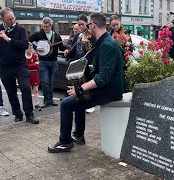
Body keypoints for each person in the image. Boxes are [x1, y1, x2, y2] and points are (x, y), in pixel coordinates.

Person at [48, 12, 124, 153]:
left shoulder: (107, 44)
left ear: (93, 25)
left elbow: (103, 77)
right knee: (74, 101)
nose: (87, 28)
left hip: (109, 91)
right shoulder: (102, 41)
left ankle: (65, 142)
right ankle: (78, 136)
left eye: (88, 25)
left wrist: (81, 89)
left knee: (65, 104)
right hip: (106, 87)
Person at [0, 8, 39, 124]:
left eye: (13, 17)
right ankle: (18, 115)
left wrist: (8, 39)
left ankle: (29, 114)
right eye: (9, 19)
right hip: (5, 66)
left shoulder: (20, 30)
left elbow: (25, 45)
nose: (12, 20)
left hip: (20, 65)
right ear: (3, 19)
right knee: (11, 91)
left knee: (25, 87)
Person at [28, 17, 66, 108]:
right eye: (43, 26)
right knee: (44, 81)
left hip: (53, 61)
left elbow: (61, 48)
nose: (44, 28)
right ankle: (46, 100)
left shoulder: (56, 35)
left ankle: (51, 99)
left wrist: (65, 45)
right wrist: (36, 46)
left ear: (51, 26)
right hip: (43, 61)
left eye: (46, 26)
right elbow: (29, 40)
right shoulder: (39, 34)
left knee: (51, 82)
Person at [64, 14, 96, 114]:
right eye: (79, 24)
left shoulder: (92, 36)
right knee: (78, 89)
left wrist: (87, 45)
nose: (81, 27)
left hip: (88, 64)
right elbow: (73, 50)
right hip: (78, 65)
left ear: (87, 23)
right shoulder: (78, 36)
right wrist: (67, 52)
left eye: (82, 24)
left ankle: (91, 105)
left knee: (87, 86)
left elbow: (93, 52)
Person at [109, 15, 133, 92]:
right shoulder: (110, 34)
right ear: (110, 25)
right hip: (113, 61)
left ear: (120, 23)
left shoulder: (125, 33)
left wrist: (127, 44)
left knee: (123, 82)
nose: (115, 26)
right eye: (113, 25)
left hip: (123, 62)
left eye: (117, 24)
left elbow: (131, 49)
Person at [26, 42, 41, 111]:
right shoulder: (23, 56)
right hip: (26, 75)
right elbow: (23, 66)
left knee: (35, 90)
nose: (30, 49)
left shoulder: (35, 56)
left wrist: (28, 66)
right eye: (28, 48)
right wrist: (32, 65)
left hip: (34, 74)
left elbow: (37, 65)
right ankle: (29, 105)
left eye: (31, 48)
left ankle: (37, 104)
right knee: (27, 91)